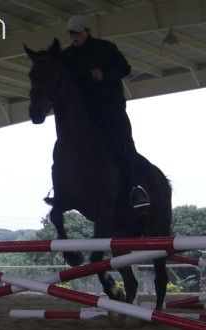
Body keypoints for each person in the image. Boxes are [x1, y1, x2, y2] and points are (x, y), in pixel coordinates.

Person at [60, 15, 150, 209]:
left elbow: (125, 68)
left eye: (77, 33)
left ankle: (135, 188)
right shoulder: (66, 56)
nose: (74, 37)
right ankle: (61, 189)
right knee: (62, 146)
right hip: (84, 114)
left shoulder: (106, 48)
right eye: (71, 33)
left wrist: (104, 74)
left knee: (125, 143)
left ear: (87, 31)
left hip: (110, 110)